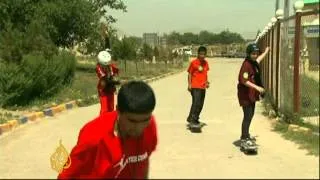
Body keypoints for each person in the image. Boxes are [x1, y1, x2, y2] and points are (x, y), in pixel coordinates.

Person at [58, 81, 158, 179]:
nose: (139, 128)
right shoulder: (94, 137)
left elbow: (144, 160)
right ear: (118, 111)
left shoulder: (149, 126)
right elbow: (66, 175)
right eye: (132, 121)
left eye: (145, 120)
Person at [237, 43, 270, 146]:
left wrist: (266, 52)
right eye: (253, 54)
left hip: (251, 95)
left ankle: (246, 135)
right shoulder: (246, 65)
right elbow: (244, 80)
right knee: (247, 116)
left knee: (250, 115)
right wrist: (257, 88)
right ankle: (244, 137)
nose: (255, 55)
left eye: (256, 53)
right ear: (248, 54)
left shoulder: (253, 63)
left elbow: (259, 59)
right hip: (245, 95)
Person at [187, 46, 210, 127]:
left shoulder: (206, 63)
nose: (202, 56)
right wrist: (189, 84)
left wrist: (207, 82)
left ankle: (193, 118)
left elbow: (205, 74)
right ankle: (193, 121)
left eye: (204, 54)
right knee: (196, 103)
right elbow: (189, 73)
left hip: (203, 87)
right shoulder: (194, 63)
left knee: (200, 104)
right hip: (195, 86)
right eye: (201, 54)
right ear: (198, 54)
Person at [96, 49, 120, 114]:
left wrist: (115, 78)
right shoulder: (98, 68)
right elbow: (103, 82)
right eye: (104, 65)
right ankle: (103, 122)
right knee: (104, 109)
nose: (106, 66)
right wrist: (114, 82)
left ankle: (110, 121)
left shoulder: (110, 66)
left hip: (110, 88)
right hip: (103, 90)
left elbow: (116, 72)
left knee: (111, 108)